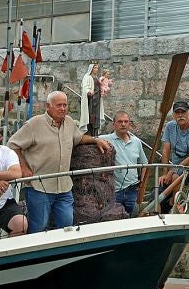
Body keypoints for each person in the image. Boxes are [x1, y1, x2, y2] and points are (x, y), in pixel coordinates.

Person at [8, 91, 111, 232]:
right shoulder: (34, 124)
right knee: (39, 229)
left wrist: (95, 140)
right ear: (48, 106)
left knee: (67, 227)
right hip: (39, 186)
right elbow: (12, 145)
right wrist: (23, 167)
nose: (63, 108)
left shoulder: (69, 122)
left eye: (65, 105)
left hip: (64, 187)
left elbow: (79, 138)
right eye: (59, 105)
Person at [157, 100, 189, 213]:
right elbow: (165, 151)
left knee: (175, 176)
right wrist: (165, 173)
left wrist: (171, 171)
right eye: (177, 113)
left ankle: (175, 203)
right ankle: (158, 213)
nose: (180, 115)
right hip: (174, 169)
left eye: (183, 112)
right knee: (156, 195)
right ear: (173, 115)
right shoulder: (170, 127)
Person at [99, 111, 145, 214]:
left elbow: (145, 165)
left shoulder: (136, 142)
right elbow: (90, 139)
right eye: (120, 121)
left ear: (129, 124)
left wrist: (143, 186)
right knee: (113, 218)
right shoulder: (105, 139)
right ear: (114, 124)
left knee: (133, 218)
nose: (123, 124)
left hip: (132, 190)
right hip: (114, 191)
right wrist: (96, 141)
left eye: (126, 121)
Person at [80, 63, 99, 136]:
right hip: (90, 100)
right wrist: (88, 91)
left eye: (97, 68)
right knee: (90, 117)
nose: (96, 69)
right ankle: (89, 134)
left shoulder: (96, 78)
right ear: (91, 68)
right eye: (95, 68)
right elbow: (85, 86)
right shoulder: (87, 77)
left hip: (97, 100)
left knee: (96, 118)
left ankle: (95, 134)